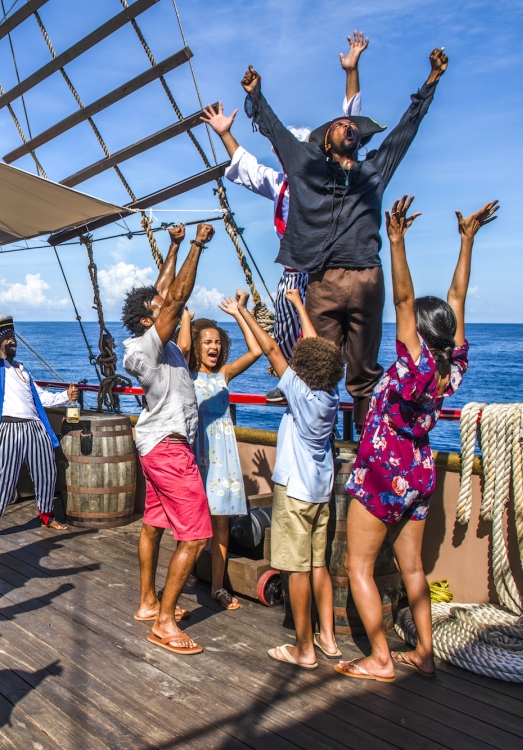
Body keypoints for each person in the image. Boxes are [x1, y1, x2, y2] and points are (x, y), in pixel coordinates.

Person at [240, 46, 449, 428]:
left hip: (368, 278)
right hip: (323, 279)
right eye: (338, 125)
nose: (346, 126)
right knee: (320, 364)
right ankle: (322, 441)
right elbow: (277, 133)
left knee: (364, 373)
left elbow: (405, 131)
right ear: (325, 143)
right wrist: (255, 95)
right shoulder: (304, 167)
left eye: (350, 125)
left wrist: (431, 81)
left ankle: (362, 444)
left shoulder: (373, 171)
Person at [336, 196, 496, 682]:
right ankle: (424, 655)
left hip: (384, 473)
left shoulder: (415, 363)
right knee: (412, 569)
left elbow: (404, 301)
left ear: (419, 336)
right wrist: (467, 241)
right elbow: (458, 297)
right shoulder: (451, 369)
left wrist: (395, 241)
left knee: (358, 566)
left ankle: (381, 657)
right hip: (420, 472)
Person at [200, 31, 368, 402]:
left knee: (329, 328)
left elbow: (351, 126)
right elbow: (247, 169)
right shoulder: (281, 185)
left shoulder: (331, 178)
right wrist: (227, 134)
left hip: (330, 265)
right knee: (285, 310)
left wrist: (351, 71)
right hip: (297, 266)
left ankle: (333, 387)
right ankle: (293, 377)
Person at [121, 222, 215, 656]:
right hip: (169, 448)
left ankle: (147, 602)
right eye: (158, 310)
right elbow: (172, 298)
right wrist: (196, 245)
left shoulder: (146, 341)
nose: (169, 307)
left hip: (157, 443)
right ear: (148, 320)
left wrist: (173, 245)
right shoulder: (148, 345)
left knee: (156, 524)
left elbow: (160, 291)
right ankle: (163, 623)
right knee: (195, 536)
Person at [240, 285, 344, 670]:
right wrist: (300, 306)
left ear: (306, 368)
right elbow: (316, 350)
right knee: (319, 566)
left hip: (295, 494)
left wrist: (243, 313)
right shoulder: (329, 394)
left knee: (294, 568)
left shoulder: (299, 392)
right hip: (320, 493)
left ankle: (304, 648)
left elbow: (272, 349)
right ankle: (329, 639)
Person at [0, 296, 78, 544]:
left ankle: (46, 516)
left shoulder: (22, 370)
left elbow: (41, 398)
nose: (12, 343)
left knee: (46, 473)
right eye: (7, 339)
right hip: (9, 427)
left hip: (35, 428)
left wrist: (65, 396)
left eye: (14, 339)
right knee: (3, 478)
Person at [180, 290, 262, 611]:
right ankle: (179, 585)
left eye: (217, 342)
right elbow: (182, 347)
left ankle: (217, 588)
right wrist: (186, 319)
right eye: (207, 342)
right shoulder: (186, 374)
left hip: (223, 457)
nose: (213, 347)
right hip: (198, 455)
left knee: (222, 525)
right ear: (198, 346)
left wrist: (239, 313)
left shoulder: (224, 374)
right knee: (191, 526)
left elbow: (256, 350)